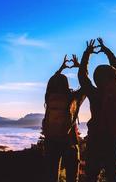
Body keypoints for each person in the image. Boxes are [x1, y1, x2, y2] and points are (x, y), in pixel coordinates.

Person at [78, 38, 116, 182]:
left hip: (95, 139)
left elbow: (82, 77)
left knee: (91, 176)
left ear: (97, 78)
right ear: (113, 78)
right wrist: (106, 50)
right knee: (113, 176)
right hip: (114, 141)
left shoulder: (94, 93)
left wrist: (87, 54)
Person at [42, 54, 86, 182]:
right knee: (72, 177)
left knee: (52, 175)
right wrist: (80, 67)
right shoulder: (73, 99)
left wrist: (60, 69)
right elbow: (86, 86)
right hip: (69, 142)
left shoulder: (49, 97)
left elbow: (50, 84)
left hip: (51, 141)